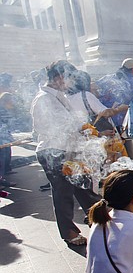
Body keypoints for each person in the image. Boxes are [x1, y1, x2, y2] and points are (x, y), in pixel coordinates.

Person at [31, 60, 101, 245]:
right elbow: (47, 126)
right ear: (59, 77)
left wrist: (84, 128)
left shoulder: (57, 96)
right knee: (64, 194)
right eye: (69, 77)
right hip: (54, 152)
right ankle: (69, 233)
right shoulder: (43, 99)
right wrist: (79, 129)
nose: (71, 82)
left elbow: (70, 120)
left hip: (69, 150)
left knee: (84, 187)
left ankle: (101, 219)